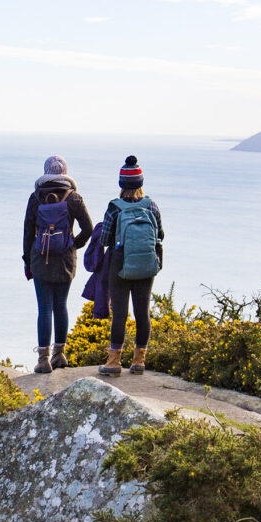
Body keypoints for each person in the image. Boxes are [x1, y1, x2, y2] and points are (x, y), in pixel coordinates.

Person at [23, 156, 93, 373]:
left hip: (40, 258)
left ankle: (43, 360)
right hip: (65, 259)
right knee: (60, 306)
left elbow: (27, 232)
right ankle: (59, 356)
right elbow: (89, 229)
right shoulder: (74, 198)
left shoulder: (35, 197)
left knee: (44, 307)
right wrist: (73, 245)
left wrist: (27, 260)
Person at [98, 155, 164, 376]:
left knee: (120, 314)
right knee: (142, 312)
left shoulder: (115, 208)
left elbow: (105, 239)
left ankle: (114, 362)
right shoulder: (151, 205)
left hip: (121, 266)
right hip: (146, 266)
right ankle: (139, 362)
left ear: (121, 184)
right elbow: (160, 234)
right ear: (140, 184)